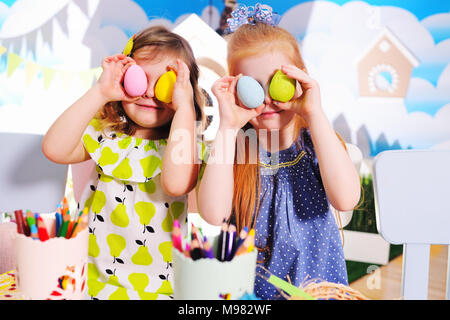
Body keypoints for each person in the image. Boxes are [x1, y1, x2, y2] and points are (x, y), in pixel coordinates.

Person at [197, 4, 361, 300]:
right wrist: (228, 127)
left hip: (318, 291)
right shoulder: (236, 148)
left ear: (299, 81)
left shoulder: (315, 141)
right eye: (253, 87)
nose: (268, 100)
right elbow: (211, 214)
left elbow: (347, 198)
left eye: (277, 83)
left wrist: (315, 113)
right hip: (250, 295)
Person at [42, 26, 204, 300]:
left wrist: (185, 107)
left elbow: (176, 184)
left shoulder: (184, 144)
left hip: (162, 289)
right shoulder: (107, 135)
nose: (150, 93)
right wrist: (101, 92)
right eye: (141, 78)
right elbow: (54, 149)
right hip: (93, 282)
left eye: (165, 83)